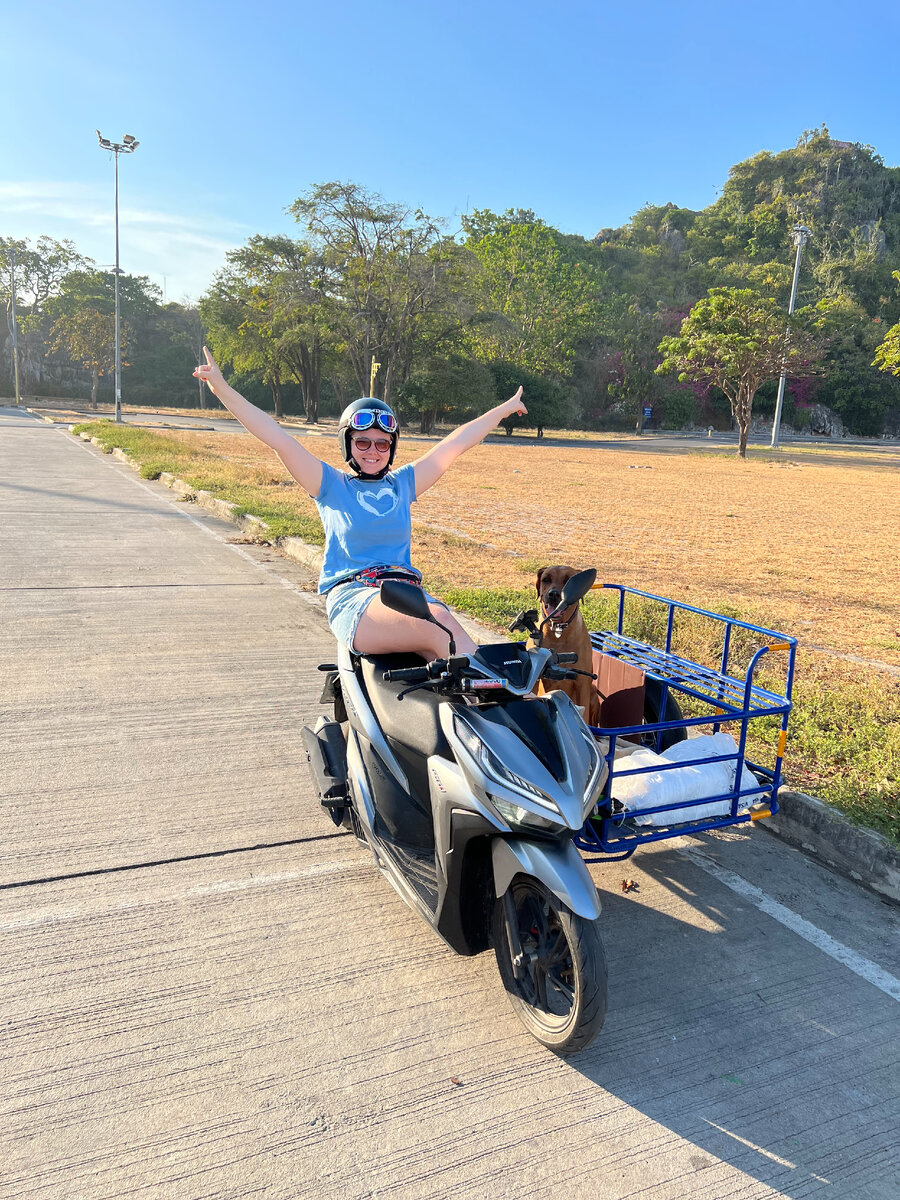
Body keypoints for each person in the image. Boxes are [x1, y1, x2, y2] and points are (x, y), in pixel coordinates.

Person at [192, 347, 527, 659]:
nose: (372, 451)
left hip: (407, 595)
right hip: (356, 598)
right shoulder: (330, 485)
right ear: (347, 444)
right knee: (443, 627)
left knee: (454, 668)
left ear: (392, 448)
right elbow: (277, 437)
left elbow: (454, 445)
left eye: (383, 444)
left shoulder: (403, 484)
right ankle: (519, 707)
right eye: (363, 442)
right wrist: (221, 388)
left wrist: (504, 409)